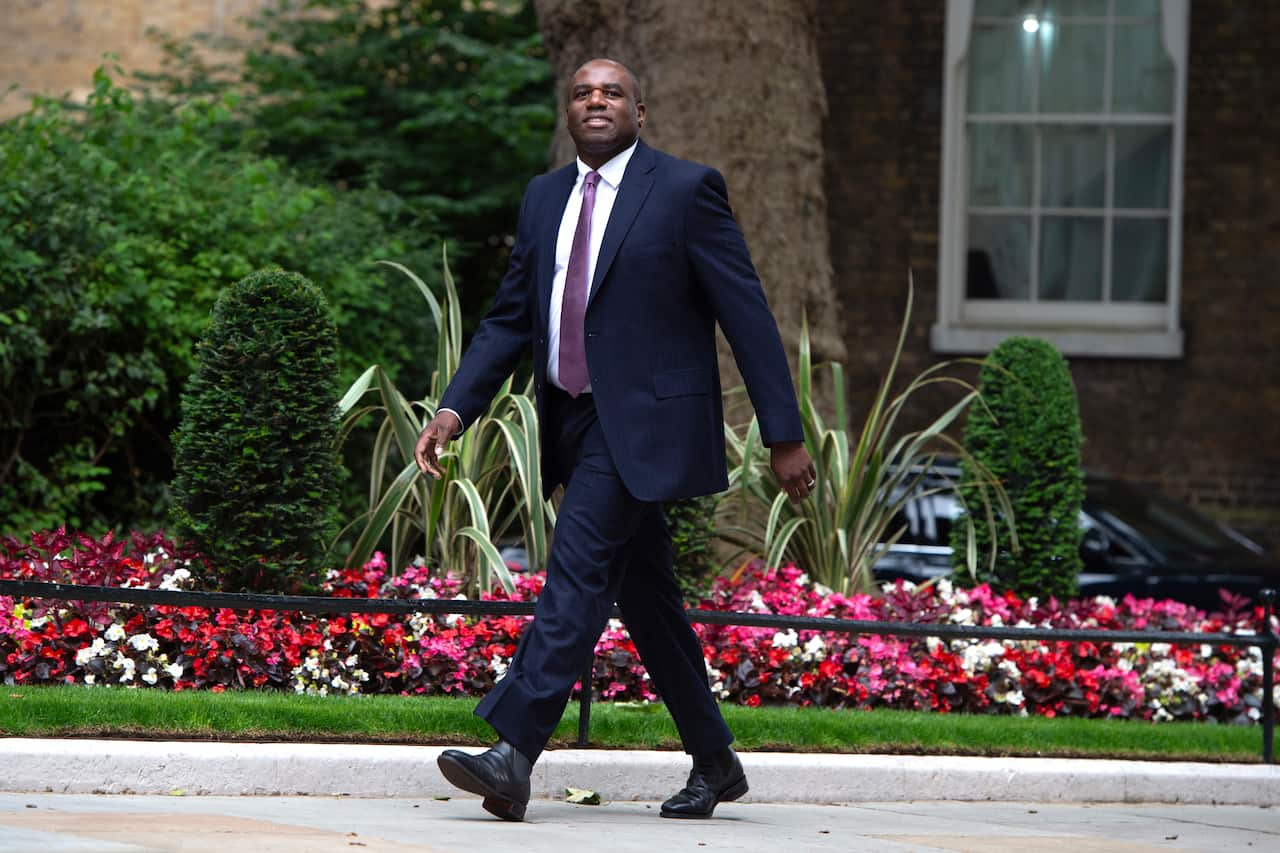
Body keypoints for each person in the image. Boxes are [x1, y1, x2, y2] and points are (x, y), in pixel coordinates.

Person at [413, 57, 816, 822]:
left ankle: (513, 752)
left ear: (641, 109)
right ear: (569, 113)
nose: (596, 101)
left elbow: (747, 313)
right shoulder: (544, 198)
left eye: (613, 92)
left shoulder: (686, 189)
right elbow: (508, 320)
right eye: (582, 93)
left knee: (576, 569)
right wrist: (454, 409)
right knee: (650, 602)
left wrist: (782, 433)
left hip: (645, 423)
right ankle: (716, 759)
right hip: (571, 417)